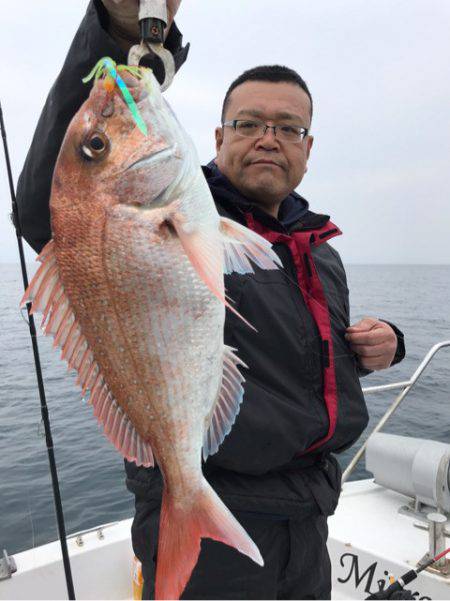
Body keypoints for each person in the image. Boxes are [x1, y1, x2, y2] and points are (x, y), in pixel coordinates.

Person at [15, 2, 405, 599]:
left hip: (309, 515)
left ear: (308, 147)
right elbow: (51, 203)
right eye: (249, 124)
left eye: (289, 128)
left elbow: (302, 356)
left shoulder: (319, 249)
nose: (268, 139)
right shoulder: (186, 215)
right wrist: (119, 31)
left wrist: (384, 346)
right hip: (217, 506)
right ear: (219, 136)